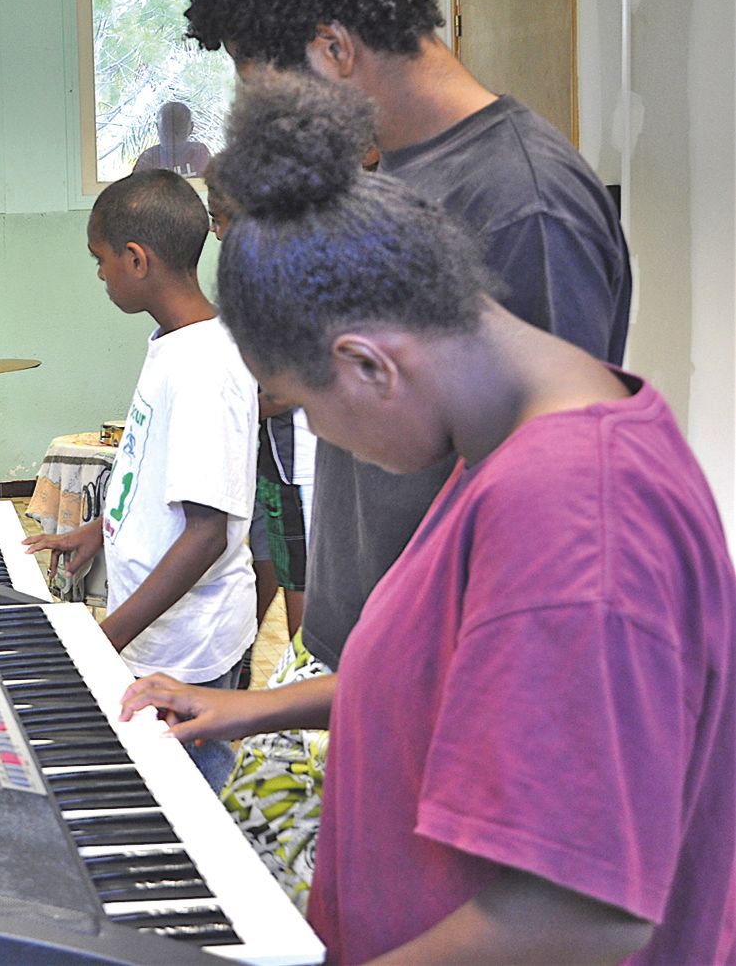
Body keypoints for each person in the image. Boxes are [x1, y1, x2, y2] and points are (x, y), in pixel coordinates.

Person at [124, 71, 733, 964]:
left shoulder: (573, 516)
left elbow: (579, 912)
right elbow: (453, 680)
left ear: (369, 365)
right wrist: (246, 708)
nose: (322, 436)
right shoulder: (508, 444)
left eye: (302, 405)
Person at [177, 0, 634, 902]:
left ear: (333, 51)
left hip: (459, 707)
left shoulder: (521, 205)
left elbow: (542, 524)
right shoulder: (383, 181)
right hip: (365, 668)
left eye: (263, 85)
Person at [19, 169, 258, 789]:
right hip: (160, 634)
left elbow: (207, 533)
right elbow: (159, 478)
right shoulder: (174, 342)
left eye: (100, 259)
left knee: (192, 799)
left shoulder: (205, 367)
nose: (100, 274)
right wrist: (102, 528)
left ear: (136, 258)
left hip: (189, 649)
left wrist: (104, 642)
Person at [207, 155, 312, 638]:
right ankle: (247, 654)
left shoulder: (289, 278)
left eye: (220, 220)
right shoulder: (259, 276)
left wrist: (235, 409)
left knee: (300, 578)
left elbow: (295, 385)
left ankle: (307, 673)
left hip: (300, 461)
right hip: (270, 456)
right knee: (267, 554)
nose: (216, 234)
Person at [132, 100, 213, 177]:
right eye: (167, 131)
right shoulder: (149, 158)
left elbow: (213, 183)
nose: (173, 137)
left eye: (178, 131)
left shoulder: (200, 153)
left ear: (191, 128)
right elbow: (135, 185)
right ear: (158, 128)